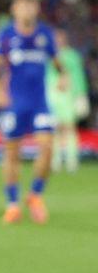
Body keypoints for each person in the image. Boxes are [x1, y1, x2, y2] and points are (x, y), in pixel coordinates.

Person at [0, 0, 67, 224]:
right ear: (14, 9)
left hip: (39, 102)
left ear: (37, 7)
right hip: (14, 103)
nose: (27, 8)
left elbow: (57, 61)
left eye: (31, 4)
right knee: (12, 154)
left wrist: (62, 76)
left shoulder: (45, 34)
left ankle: (35, 195)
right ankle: (12, 204)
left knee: (48, 147)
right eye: (22, 4)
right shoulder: (5, 35)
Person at [46, 27, 89, 173]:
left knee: (69, 127)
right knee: (55, 128)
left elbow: (78, 76)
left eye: (60, 37)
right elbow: (45, 76)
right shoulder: (49, 55)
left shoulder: (72, 56)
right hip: (52, 94)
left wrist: (81, 94)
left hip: (68, 96)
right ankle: (55, 160)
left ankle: (72, 160)